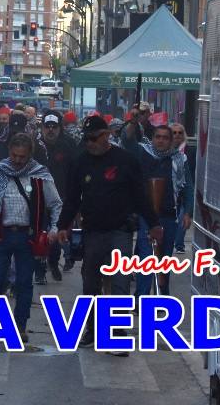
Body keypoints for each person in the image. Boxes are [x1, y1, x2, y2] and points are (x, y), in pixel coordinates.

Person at [56, 115, 161, 350]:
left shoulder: (126, 161)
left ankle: (116, 333)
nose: (90, 143)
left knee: (120, 282)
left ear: (107, 135)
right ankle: (91, 329)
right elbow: (72, 199)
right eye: (87, 139)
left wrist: (153, 224)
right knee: (90, 283)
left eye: (94, 138)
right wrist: (63, 225)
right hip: (92, 231)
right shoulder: (80, 161)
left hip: (120, 230)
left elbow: (140, 196)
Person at [0, 133, 62, 346]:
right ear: (9, 151)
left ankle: (20, 325)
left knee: (24, 283)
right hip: (2, 234)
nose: (17, 160)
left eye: (22, 156)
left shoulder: (41, 175)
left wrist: (54, 228)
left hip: (28, 236)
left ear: (29, 155)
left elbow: (55, 204)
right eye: (14, 155)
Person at [134, 123, 193, 295]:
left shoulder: (179, 160)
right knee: (146, 257)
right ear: (152, 138)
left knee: (164, 259)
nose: (161, 141)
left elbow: (187, 187)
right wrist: (135, 121)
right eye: (157, 137)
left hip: (169, 216)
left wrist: (188, 212)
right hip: (146, 217)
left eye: (165, 138)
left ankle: (162, 296)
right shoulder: (142, 154)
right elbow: (127, 140)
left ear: (171, 140)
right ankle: (141, 298)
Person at [38, 111, 76, 282]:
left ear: (60, 128)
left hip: (60, 199)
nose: (50, 130)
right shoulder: (35, 146)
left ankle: (53, 262)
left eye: (54, 127)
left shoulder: (68, 146)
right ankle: (39, 268)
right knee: (39, 234)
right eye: (47, 127)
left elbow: (75, 172)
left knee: (56, 234)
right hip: (38, 198)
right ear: (42, 128)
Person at [170, 122, 194, 252]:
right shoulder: (161, 153)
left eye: (180, 133)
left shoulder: (188, 152)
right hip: (169, 198)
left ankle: (179, 244)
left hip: (183, 192)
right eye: (174, 133)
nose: (177, 135)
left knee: (182, 218)